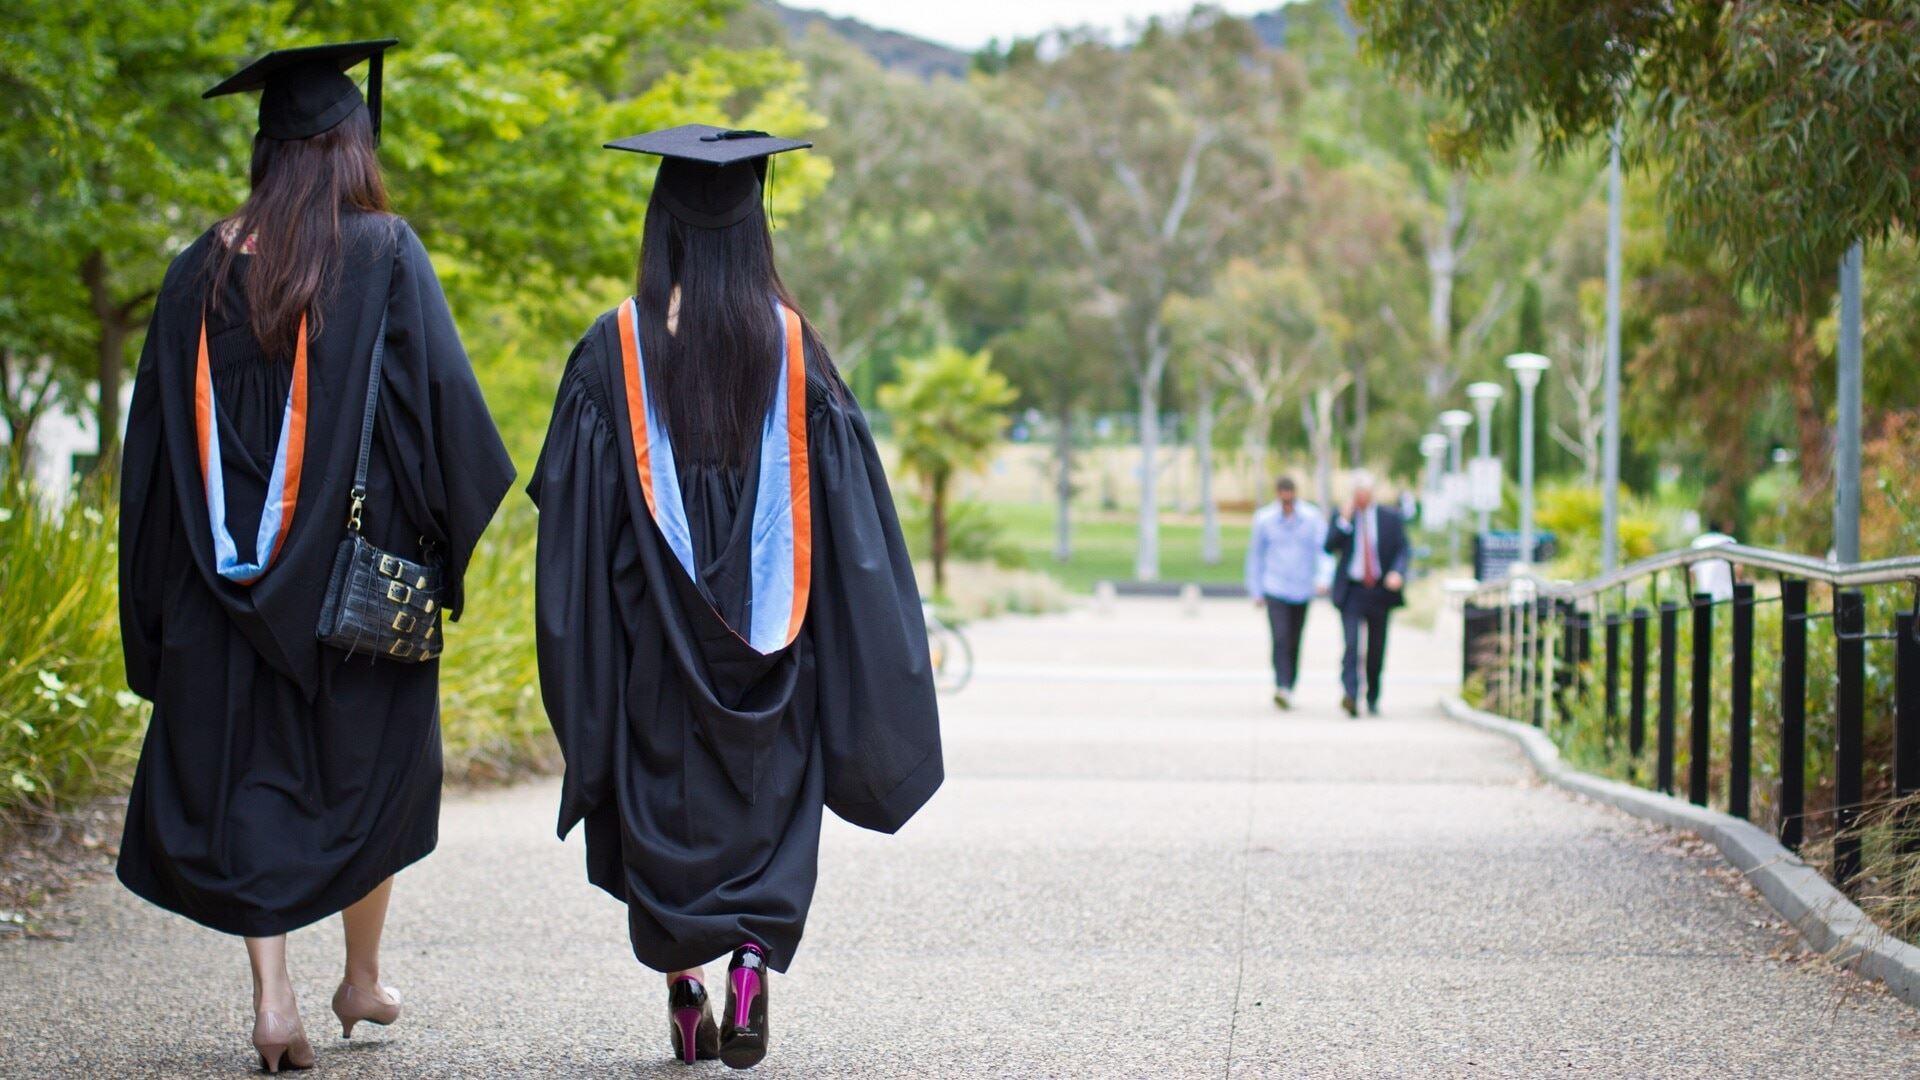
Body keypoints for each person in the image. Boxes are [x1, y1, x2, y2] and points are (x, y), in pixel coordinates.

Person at [115, 41, 514, 1072]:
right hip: (351, 589)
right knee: (367, 776)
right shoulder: (381, 252)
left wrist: (155, 610)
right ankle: (362, 978)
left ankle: (275, 998)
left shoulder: (192, 273)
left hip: (218, 584)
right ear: (350, 148)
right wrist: (438, 552)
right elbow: (451, 425)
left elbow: (151, 458)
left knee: (252, 779)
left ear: (266, 150)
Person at [528, 125, 943, 1070]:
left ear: (659, 226)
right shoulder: (794, 349)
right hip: (773, 660)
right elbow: (851, 527)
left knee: (659, 818)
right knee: (764, 810)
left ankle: (685, 991)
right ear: (754, 231)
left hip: (650, 661)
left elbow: (573, 526)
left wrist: (583, 652)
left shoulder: (613, 349)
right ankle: (752, 957)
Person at [1324, 469, 1410, 717]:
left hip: (1381, 591)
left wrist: (1397, 572)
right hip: (1352, 591)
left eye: (1365, 493)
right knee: (1351, 645)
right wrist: (1343, 521)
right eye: (1356, 493)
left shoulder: (1389, 517)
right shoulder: (1343, 516)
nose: (1361, 497)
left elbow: (1403, 549)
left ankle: (1372, 695)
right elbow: (1329, 546)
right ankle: (1350, 694)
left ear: (1372, 493)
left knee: (1376, 648)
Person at [1245, 477, 1325, 709]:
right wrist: (1256, 590)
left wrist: (1322, 578)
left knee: (1294, 639)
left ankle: (1290, 684)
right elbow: (1256, 556)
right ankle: (1281, 685)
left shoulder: (1311, 518)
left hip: (1302, 587)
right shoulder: (1264, 519)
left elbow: (1322, 550)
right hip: (1275, 586)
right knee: (1279, 637)